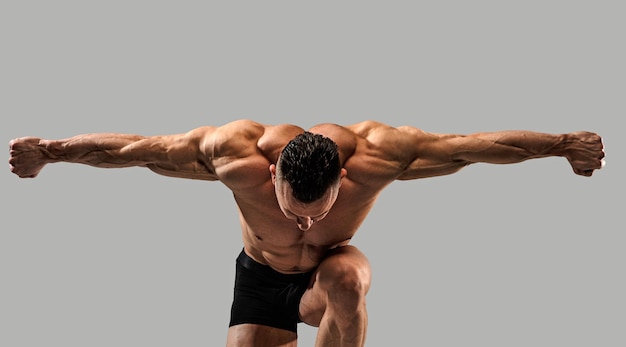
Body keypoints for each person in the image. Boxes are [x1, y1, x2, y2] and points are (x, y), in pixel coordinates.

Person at [8, 119, 605, 347]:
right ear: (271, 174)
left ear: (344, 178)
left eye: (318, 212)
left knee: (346, 275)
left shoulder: (378, 155)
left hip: (327, 276)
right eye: (293, 209)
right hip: (260, 280)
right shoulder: (233, 156)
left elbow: (476, 150)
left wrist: (562, 147)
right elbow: (139, 152)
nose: (304, 222)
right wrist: (52, 153)